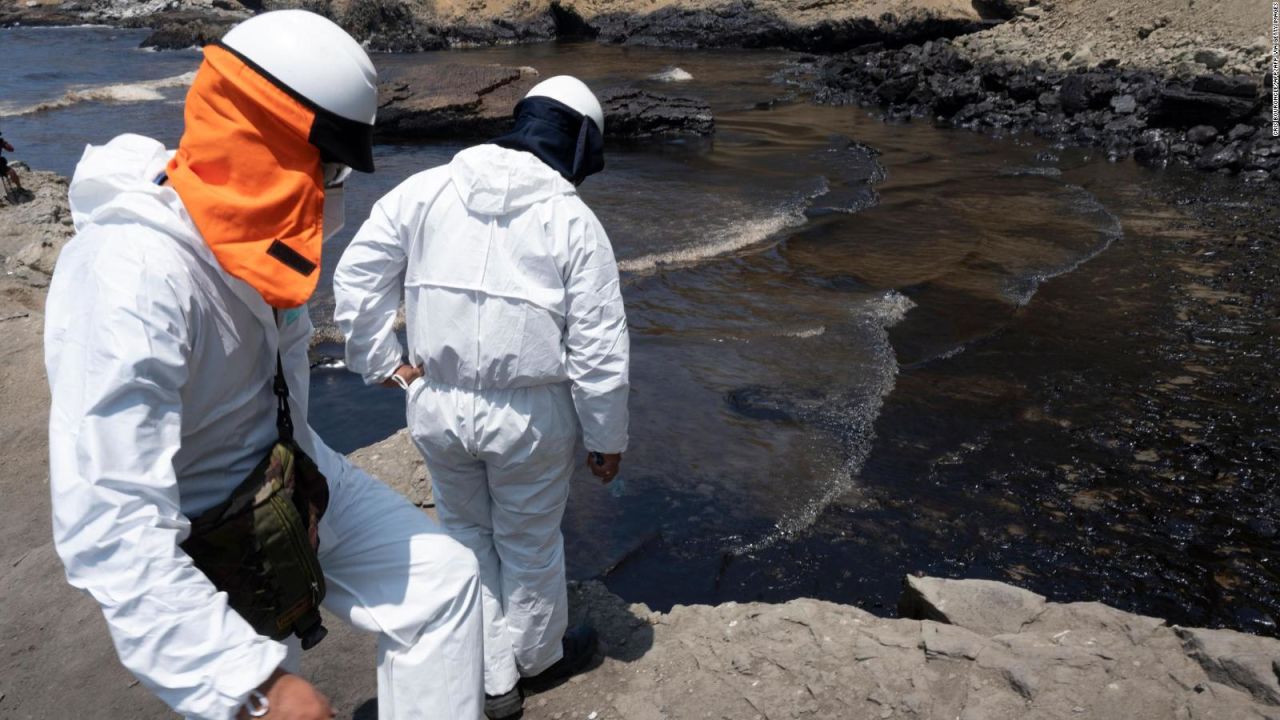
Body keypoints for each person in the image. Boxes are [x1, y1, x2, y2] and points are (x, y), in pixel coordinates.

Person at [44, 10, 484, 720]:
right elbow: (111, 518)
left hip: (290, 462)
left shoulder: (248, 228)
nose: (336, 188)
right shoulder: (136, 276)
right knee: (280, 680)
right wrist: (252, 683)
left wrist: (302, 485)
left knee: (444, 582)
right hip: (203, 527)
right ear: (269, 149)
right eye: (331, 166)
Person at [333, 76, 630, 719]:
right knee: (528, 539)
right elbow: (599, 348)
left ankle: (490, 673)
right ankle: (535, 661)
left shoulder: (427, 188)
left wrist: (387, 367)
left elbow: (356, 279)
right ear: (579, 143)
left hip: (436, 403)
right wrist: (607, 438)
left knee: (466, 534)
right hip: (530, 415)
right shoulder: (572, 218)